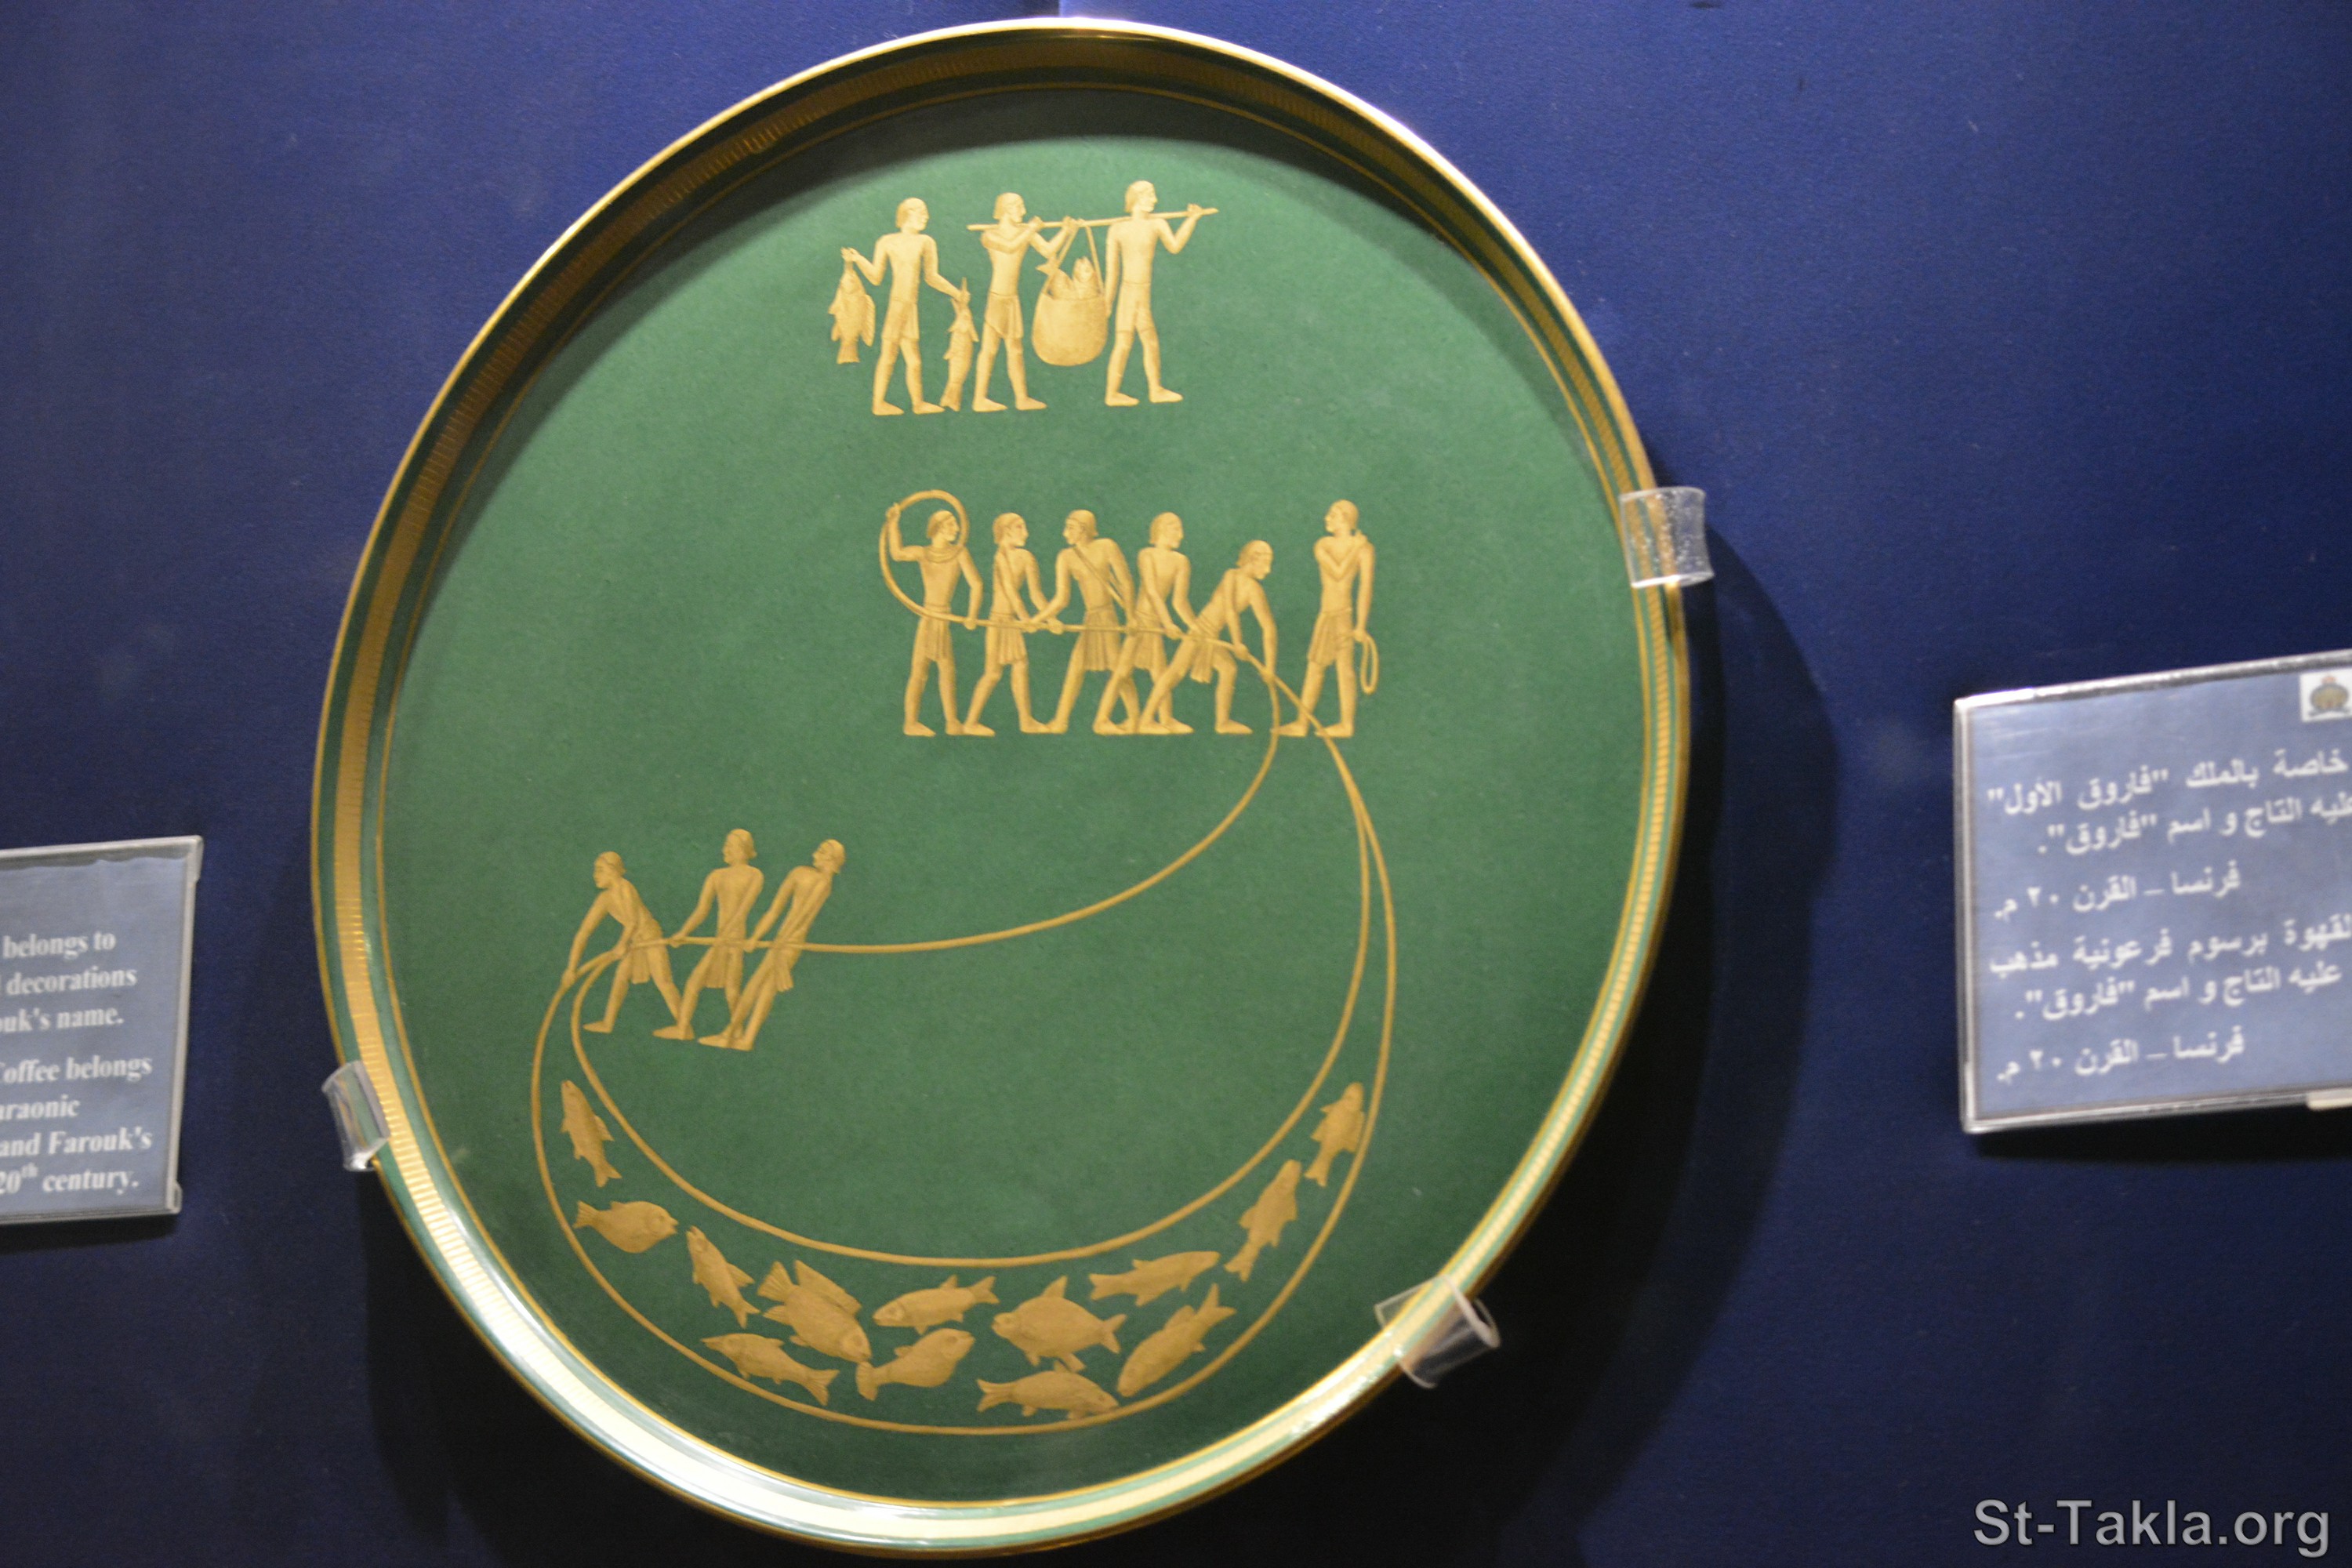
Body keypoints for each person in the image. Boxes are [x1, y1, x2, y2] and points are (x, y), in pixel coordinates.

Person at [704, 840, 844, 1051]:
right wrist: (755, 937)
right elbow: (774, 910)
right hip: (784, 941)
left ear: (832, 859)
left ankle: (729, 1035)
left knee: (757, 987)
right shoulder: (799, 873)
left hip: (790, 944)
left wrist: (783, 940)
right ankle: (744, 1039)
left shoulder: (824, 882)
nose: (816, 854)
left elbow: (804, 914)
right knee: (764, 990)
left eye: (822, 852)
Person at [842, 198, 968, 416]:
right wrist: (858, 259)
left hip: (910, 308)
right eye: (922, 212)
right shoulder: (887, 241)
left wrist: (956, 293)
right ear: (908, 214)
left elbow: (931, 276)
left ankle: (917, 403)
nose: (926, 217)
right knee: (889, 356)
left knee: (914, 361)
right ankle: (879, 404)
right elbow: (875, 277)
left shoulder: (926, 241)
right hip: (897, 306)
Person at [1140, 541, 1276, 735]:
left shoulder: (1255, 590)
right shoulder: (1231, 576)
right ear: (1253, 559)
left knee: (1228, 669)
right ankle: (1146, 720)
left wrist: (1269, 666)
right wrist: (1237, 642)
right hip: (1201, 631)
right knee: (1175, 673)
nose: (1268, 570)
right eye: (1266, 563)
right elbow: (1230, 611)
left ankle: (1222, 723)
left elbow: (1268, 627)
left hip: (1213, 635)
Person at [1102, 181, 1209, 406]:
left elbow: (1175, 246)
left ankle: (1151, 390)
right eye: (1150, 195)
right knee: (1128, 342)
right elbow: (1113, 272)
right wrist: (1107, 302)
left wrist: (1192, 219)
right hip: (1130, 293)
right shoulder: (1118, 229)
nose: (1155, 200)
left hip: (1142, 292)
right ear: (1136, 198)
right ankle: (1116, 394)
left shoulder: (1157, 224)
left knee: (1144, 341)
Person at [1278, 500, 1376, 738]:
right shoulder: (1324, 544)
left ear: (1345, 519)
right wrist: (1355, 548)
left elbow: (1365, 589)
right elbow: (1337, 572)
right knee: (1315, 668)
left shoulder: (1365, 549)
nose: (1327, 518)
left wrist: (1361, 625)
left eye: (1332, 515)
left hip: (1344, 616)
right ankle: (1302, 723)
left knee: (1345, 670)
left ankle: (1346, 725)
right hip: (1327, 615)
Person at [654, 829, 764, 1040]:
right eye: (726, 845)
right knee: (699, 984)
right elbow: (702, 910)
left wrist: (725, 937)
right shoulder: (716, 875)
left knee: (729, 989)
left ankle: (735, 1031)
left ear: (744, 849)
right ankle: (685, 1028)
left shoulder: (755, 875)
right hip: (720, 940)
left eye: (731, 846)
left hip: (734, 940)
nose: (725, 850)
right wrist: (683, 933)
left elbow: (743, 911)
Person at [886, 502, 984, 735]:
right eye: (951, 525)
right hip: (928, 618)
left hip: (944, 618)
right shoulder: (924, 553)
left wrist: (972, 616)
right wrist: (893, 523)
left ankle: (952, 722)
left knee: (947, 671)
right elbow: (897, 554)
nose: (956, 529)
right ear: (938, 528)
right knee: (920, 671)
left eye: (956, 524)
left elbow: (977, 584)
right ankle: (911, 722)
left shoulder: (959, 553)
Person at [1035, 510, 1136, 734]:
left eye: (1070, 527)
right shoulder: (1066, 557)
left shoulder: (1107, 546)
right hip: (1091, 618)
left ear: (1083, 528)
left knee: (1117, 668)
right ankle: (1061, 721)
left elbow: (1126, 582)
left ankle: (1132, 719)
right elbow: (1062, 599)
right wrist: (1038, 620)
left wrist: (1131, 618)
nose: (1065, 533)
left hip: (1107, 617)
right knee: (1078, 666)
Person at [970, 193, 1073, 412]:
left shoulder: (1024, 233)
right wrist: (1031, 229)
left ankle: (1021, 398)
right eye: (1019, 207)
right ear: (1007, 209)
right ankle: (979, 399)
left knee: (1015, 350)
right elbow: (1009, 247)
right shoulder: (990, 235)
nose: (1024, 212)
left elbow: (1047, 250)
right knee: (989, 349)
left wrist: (1066, 231)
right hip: (997, 298)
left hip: (1012, 299)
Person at [564, 851, 683, 1033]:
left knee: (663, 981)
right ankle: (608, 1023)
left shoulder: (625, 887)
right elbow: (584, 933)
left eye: (600, 870)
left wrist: (621, 945)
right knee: (620, 978)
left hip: (651, 938)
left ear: (613, 870)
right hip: (634, 941)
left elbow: (633, 921)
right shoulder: (604, 899)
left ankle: (683, 1026)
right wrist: (571, 968)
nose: (595, 875)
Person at [1102, 512, 1195, 732]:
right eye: (1176, 528)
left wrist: (1195, 627)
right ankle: (1102, 719)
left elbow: (1180, 602)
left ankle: (1165, 719)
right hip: (1142, 622)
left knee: (1159, 674)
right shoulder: (1147, 555)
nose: (1181, 534)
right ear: (1162, 529)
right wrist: (1168, 623)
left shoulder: (1181, 562)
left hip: (1156, 623)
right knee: (1123, 671)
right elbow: (1152, 592)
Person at [963, 513, 1051, 735]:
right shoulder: (1000, 557)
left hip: (1011, 621)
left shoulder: (1027, 557)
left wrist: (1051, 618)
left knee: (1020, 667)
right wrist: (1025, 619)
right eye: (1020, 527)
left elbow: (1036, 594)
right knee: (993, 673)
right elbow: (1011, 592)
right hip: (998, 621)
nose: (1026, 533)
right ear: (1007, 530)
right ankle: (971, 723)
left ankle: (1026, 721)